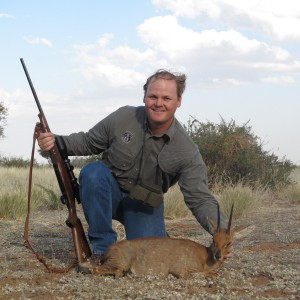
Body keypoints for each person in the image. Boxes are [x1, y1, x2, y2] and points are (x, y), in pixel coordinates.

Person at [37, 69, 233, 270]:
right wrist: (54, 141)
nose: (159, 103)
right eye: (153, 96)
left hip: (144, 205)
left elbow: (199, 197)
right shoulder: (123, 117)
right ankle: (102, 251)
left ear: (178, 101)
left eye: (166, 98)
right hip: (109, 195)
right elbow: (87, 142)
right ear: (144, 96)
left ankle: (157, 234)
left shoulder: (187, 150)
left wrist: (222, 232)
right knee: (93, 173)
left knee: (150, 259)